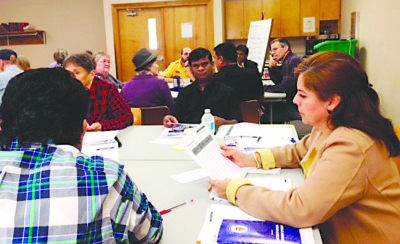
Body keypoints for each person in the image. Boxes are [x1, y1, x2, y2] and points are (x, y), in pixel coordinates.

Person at [209, 51, 400, 244]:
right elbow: (299, 150)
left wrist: (235, 190)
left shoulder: (351, 145)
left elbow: (299, 209)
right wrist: (250, 159)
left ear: (333, 101)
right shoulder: (329, 125)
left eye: (303, 95)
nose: (295, 101)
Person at [0, 68, 163, 243]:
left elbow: (125, 116)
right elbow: (150, 232)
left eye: (77, 72)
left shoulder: (107, 89)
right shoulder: (104, 176)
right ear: (82, 128)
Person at [163, 48, 242, 127]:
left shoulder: (227, 92)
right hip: (189, 135)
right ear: (190, 69)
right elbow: (175, 118)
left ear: (212, 65)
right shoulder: (184, 93)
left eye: (204, 64)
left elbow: (237, 121)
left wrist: (224, 122)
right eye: (196, 66)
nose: (201, 69)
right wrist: (169, 119)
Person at [64, 53, 133, 131]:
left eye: (77, 73)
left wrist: (102, 126)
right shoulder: (64, 91)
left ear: (92, 74)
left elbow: (127, 118)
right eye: (68, 74)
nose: (71, 78)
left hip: (101, 137)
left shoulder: (107, 89)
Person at [262, 38, 303, 123]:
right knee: (268, 111)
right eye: (271, 51)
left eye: (275, 49)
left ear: (286, 48)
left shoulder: (290, 62)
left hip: (295, 104)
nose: (273, 53)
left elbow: (285, 88)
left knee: (266, 115)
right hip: (295, 100)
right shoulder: (289, 59)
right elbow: (280, 82)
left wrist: (264, 88)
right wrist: (272, 69)